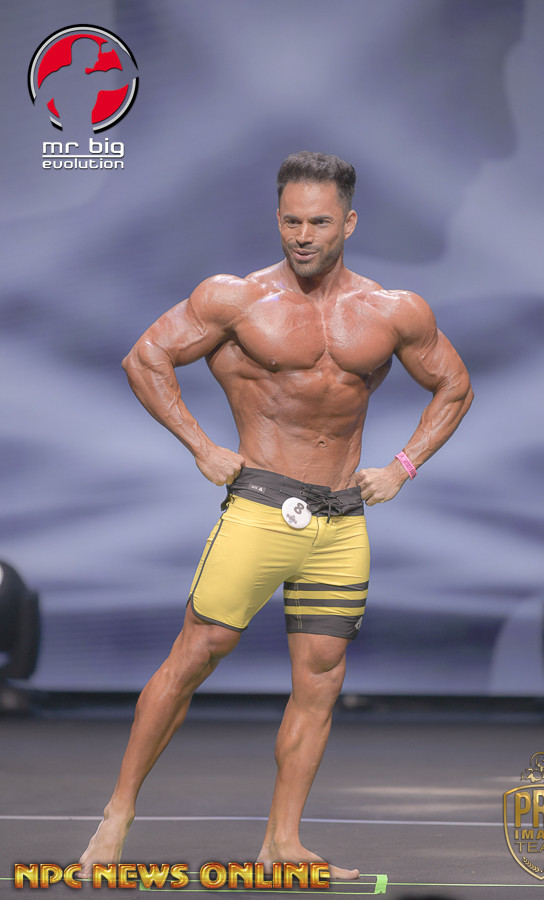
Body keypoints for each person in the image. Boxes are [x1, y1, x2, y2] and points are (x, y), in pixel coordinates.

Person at [78, 151, 473, 880]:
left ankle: (282, 844)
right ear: (278, 220)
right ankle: (117, 814)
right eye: (291, 221)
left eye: (319, 222)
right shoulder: (235, 299)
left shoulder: (393, 310)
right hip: (261, 507)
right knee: (196, 653)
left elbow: (454, 385)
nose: (303, 235)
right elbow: (146, 358)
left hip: (341, 522)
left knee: (321, 680)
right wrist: (202, 446)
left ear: (348, 223)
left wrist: (402, 466)